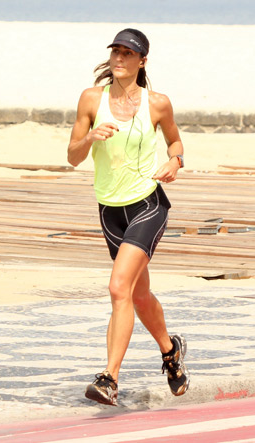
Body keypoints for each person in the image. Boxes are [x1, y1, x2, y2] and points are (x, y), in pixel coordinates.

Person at [67, 28, 189, 406]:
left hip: (147, 205)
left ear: (142, 61)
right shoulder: (91, 99)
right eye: (115, 52)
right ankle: (171, 352)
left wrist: (174, 161)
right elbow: (72, 156)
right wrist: (91, 139)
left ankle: (109, 378)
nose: (119, 58)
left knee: (119, 287)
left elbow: (175, 140)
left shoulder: (158, 103)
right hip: (110, 211)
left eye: (127, 53)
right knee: (138, 294)